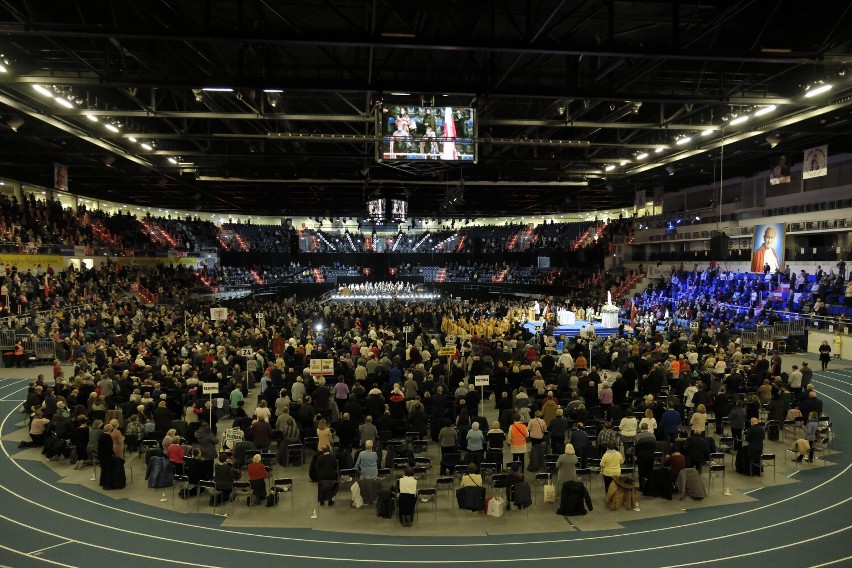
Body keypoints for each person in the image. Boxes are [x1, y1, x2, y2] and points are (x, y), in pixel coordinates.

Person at [98, 424, 117, 490]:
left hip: (100, 455)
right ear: (110, 430)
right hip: (107, 456)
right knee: (109, 470)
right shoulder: (108, 437)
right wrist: (113, 453)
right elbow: (109, 449)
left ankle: (102, 482)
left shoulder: (101, 435)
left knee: (103, 469)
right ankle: (108, 485)